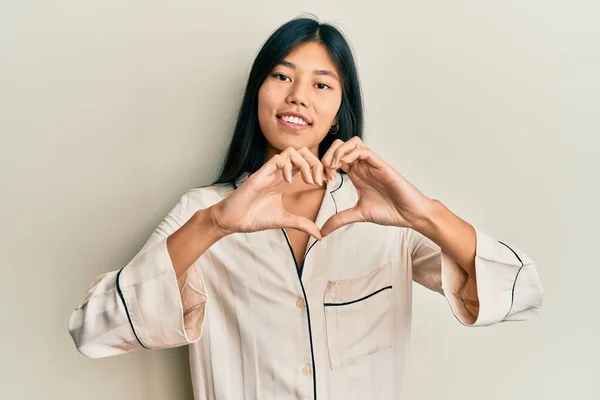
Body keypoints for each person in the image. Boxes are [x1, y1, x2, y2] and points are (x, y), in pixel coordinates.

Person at [68, 16, 543, 400]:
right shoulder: (205, 210)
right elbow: (94, 331)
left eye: (322, 84)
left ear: (340, 109)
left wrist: (424, 214)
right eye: (281, 76)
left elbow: (522, 293)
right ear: (258, 92)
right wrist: (214, 225)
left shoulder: (382, 211)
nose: (297, 94)